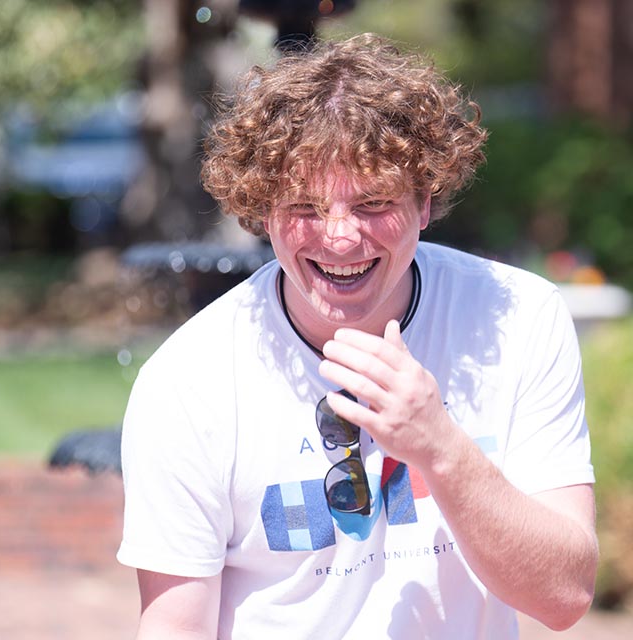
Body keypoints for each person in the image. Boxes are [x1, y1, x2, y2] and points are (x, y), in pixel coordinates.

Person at [117, 33, 598, 639]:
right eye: (305, 207)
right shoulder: (188, 379)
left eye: (372, 202)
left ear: (425, 201)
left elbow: (564, 597)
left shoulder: (518, 316)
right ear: (262, 211)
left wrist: (439, 446)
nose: (340, 238)